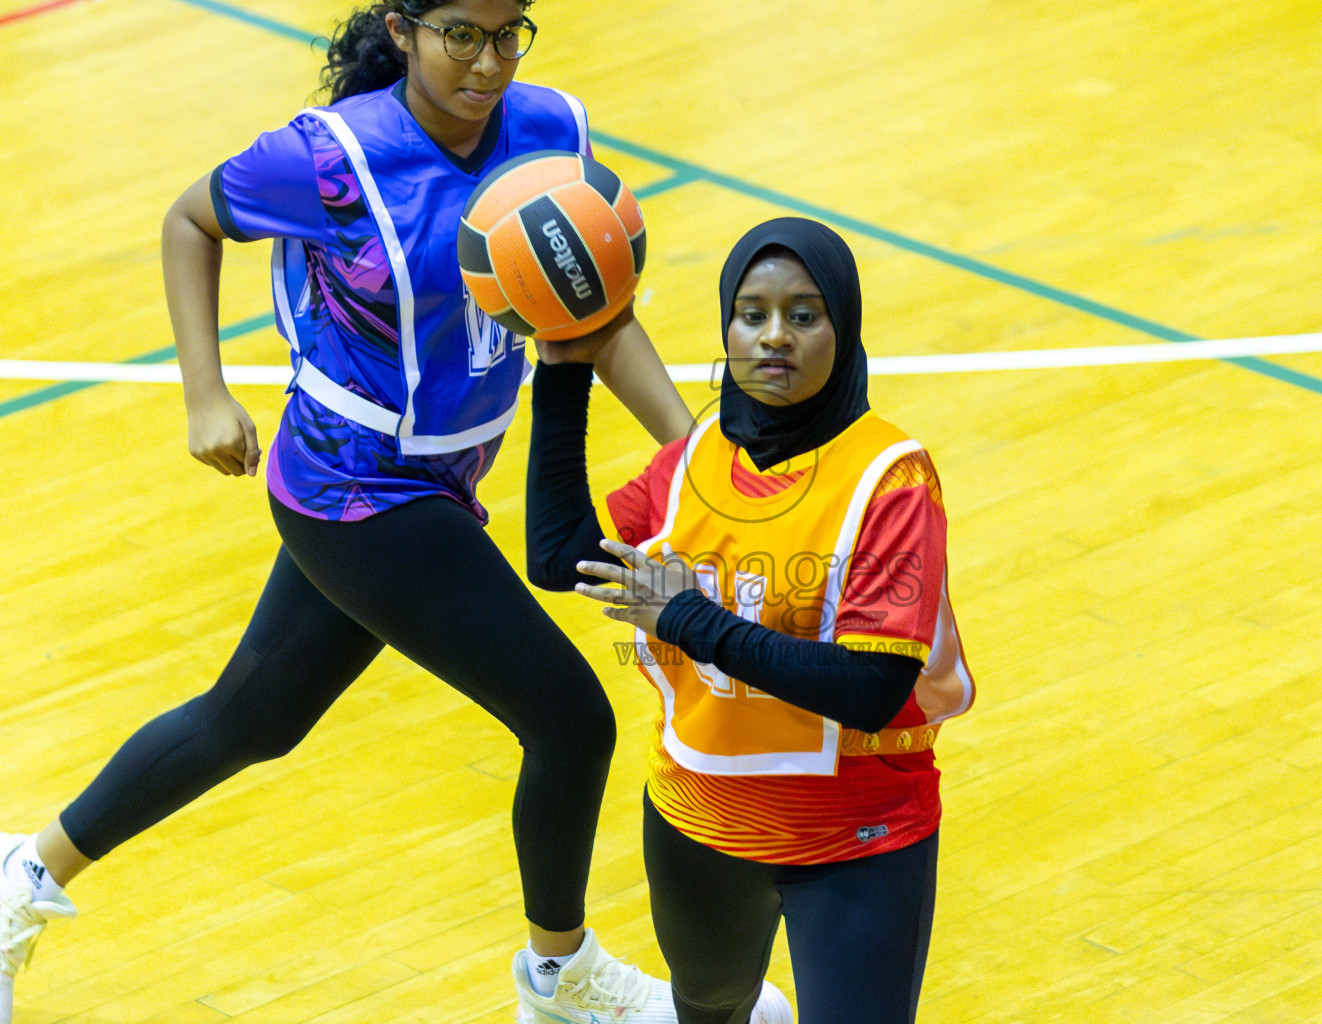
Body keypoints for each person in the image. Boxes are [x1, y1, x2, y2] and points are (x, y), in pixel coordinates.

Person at [0, 4, 791, 1023]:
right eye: (462, 34)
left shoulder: (551, 130)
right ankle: (561, 981)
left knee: (252, 718)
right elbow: (189, 219)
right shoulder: (328, 160)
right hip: (351, 490)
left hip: (437, 486)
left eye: (511, 34)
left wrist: (699, 465)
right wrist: (205, 392)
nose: (490, 61)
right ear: (405, 29)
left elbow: (594, 318)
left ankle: (22, 875)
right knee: (569, 718)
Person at [523, 217, 977, 1024]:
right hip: (699, 826)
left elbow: (870, 689)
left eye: (805, 315)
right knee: (711, 1010)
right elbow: (560, 556)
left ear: (844, 327)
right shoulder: (694, 459)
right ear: (727, 325)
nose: (775, 336)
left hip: (858, 841)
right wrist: (562, 376)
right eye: (752, 313)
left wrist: (688, 617)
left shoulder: (892, 480)